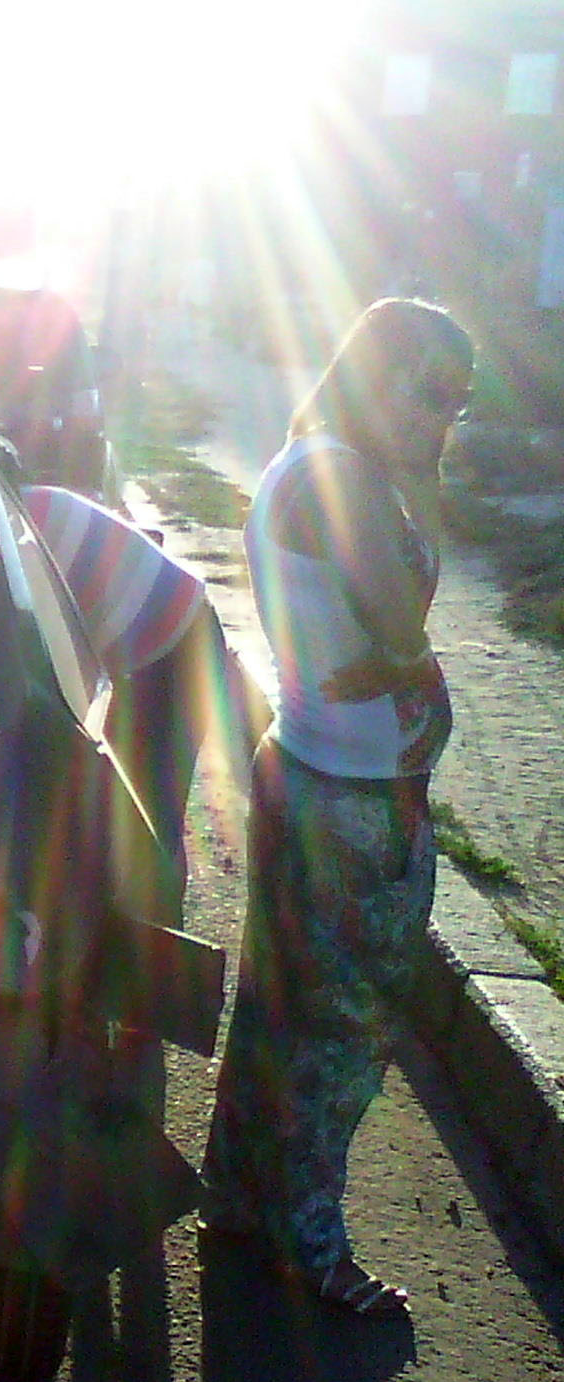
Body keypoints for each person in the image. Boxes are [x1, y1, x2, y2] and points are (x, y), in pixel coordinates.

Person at [200, 297, 474, 1316]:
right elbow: (402, 631)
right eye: (427, 393)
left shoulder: (326, 463)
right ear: (370, 375)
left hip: (319, 774)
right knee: (344, 1039)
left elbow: (399, 626)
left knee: (277, 1012)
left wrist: (418, 480)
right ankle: (308, 1247)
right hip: (350, 806)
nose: (440, 420)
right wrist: (411, 667)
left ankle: (239, 1202)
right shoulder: (343, 480)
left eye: (458, 404)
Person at [20, 482, 267, 918]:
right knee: (131, 815)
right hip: (159, 628)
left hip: (166, 646)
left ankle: (159, 934)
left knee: (146, 821)